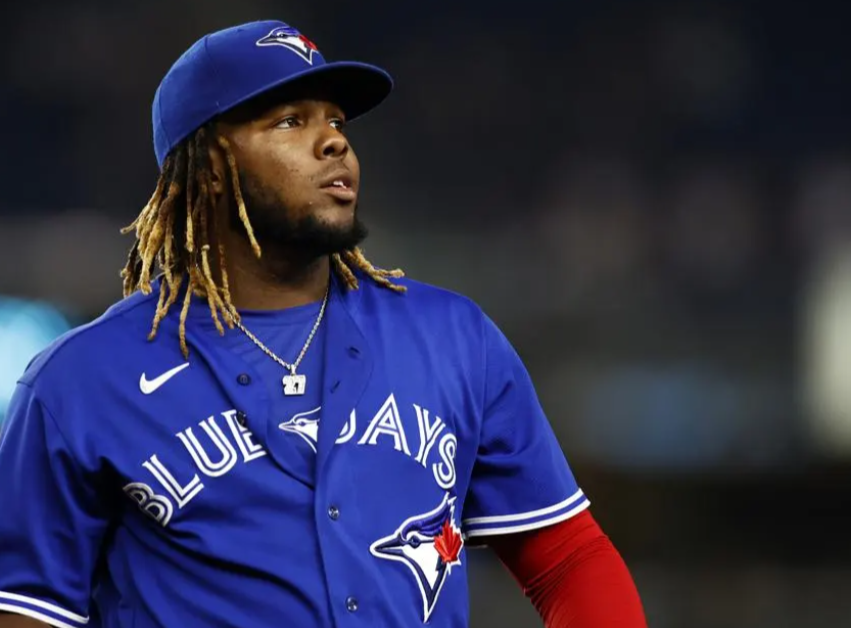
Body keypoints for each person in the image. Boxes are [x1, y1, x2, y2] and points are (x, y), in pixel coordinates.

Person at [0, 19, 648, 628]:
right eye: (290, 121)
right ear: (213, 164)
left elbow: (567, 560)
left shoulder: (453, 338)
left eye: (335, 120)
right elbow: (27, 613)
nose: (334, 141)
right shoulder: (81, 382)